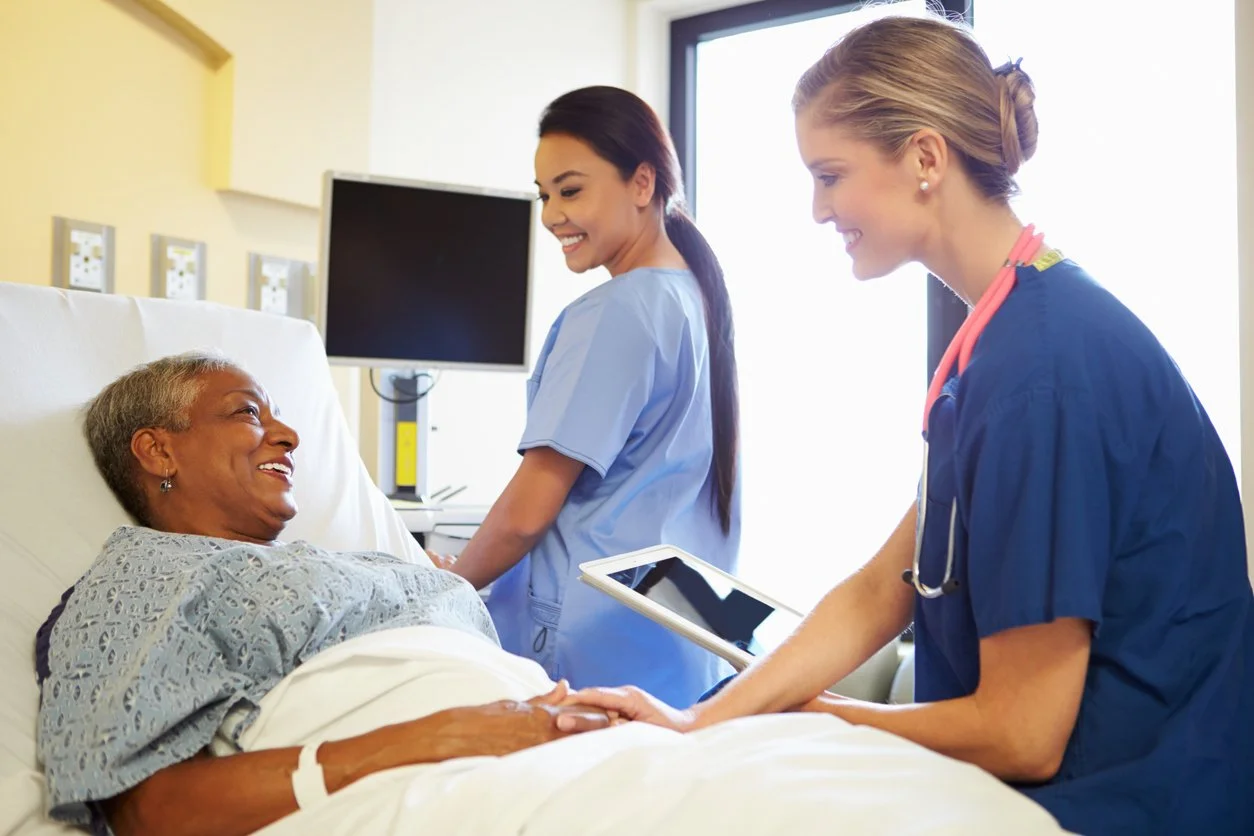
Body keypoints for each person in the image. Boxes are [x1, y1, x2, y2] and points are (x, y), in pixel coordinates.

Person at [566, 14, 1254, 836]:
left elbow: (1024, 732)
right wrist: (704, 722)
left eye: (830, 174)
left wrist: (820, 721)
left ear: (926, 157)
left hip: (1126, 805)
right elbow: (879, 590)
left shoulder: (1045, 367)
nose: (818, 209)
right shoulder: (998, 339)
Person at [35, 353, 614, 836]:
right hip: (442, 783)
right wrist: (438, 736)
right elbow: (142, 807)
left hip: (560, 745)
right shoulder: (143, 574)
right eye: (247, 412)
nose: (287, 436)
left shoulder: (359, 563)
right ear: (158, 452)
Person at [438, 86, 742, 705]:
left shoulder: (618, 311)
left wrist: (446, 585)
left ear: (641, 182)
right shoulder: (696, 303)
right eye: (544, 195)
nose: (552, 215)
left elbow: (529, 511)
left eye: (570, 190)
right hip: (684, 638)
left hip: (593, 642)